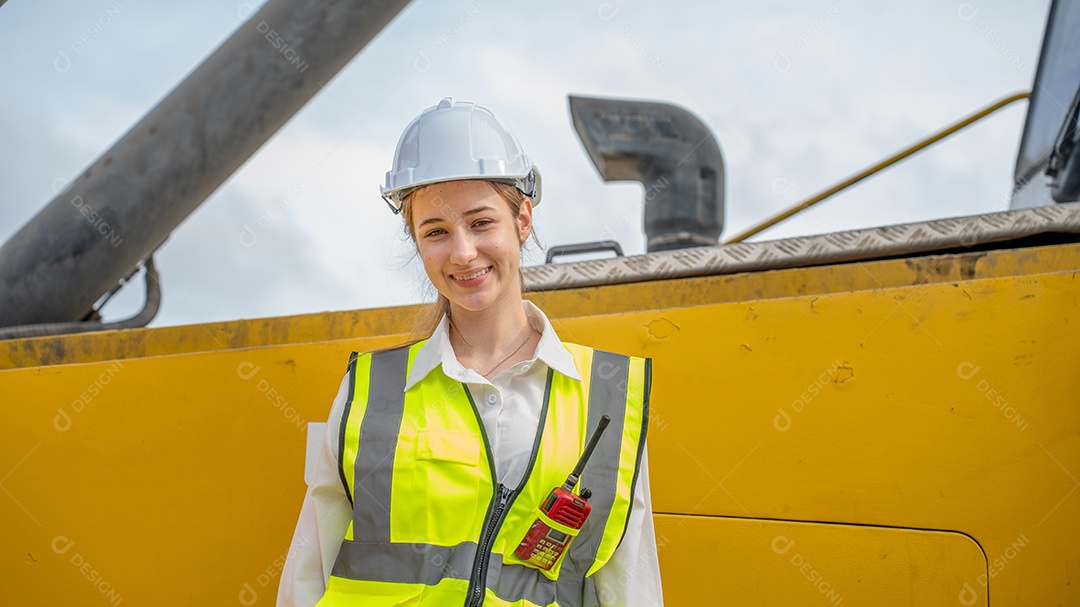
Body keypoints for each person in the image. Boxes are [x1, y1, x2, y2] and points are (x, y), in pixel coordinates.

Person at [277, 98, 663, 606]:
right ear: (416, 242)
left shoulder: (606, 398)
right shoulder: (373, 390)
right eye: (435, 231)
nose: (462, 252)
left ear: (522, 220)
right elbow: (308, 574)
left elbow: (628, 586)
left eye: (481, 223)